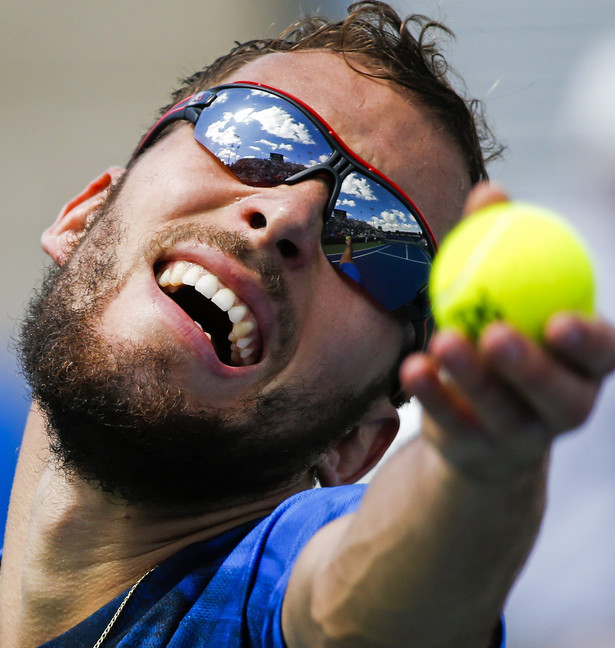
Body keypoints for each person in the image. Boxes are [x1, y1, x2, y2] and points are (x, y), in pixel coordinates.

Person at [1, 2, 614, 647]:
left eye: (379, 243)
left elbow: (362, 603)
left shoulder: (262, 601)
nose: (289, 214)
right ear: (85, 215)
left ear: (356, 441)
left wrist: (479, 472)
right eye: (256, 137)